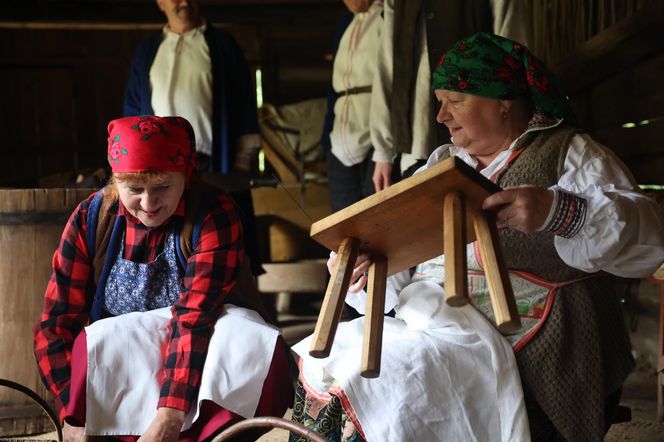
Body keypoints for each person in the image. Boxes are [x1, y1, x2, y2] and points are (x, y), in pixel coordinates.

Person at [290, 33, 664, 441]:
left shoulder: (570, 153)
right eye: (439, 102)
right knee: (331, 364)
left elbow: (647, 239)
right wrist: (365, 270)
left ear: (503, 101)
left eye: (455, 100)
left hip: (524, 339)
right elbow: (396, 273)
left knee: (394, 383)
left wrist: (558, 211)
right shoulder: (441, 164)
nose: (441, 117)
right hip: (432, 326)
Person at [33, 116, 293, 442]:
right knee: (99, 339)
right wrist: (70, 412)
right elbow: (54, 325)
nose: (148, 203)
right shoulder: (91, 218)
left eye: (162, 188)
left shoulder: (214, 213)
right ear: (115, 180)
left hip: (203, 348)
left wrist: (170, 414)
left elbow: (193, 317)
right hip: (130, 357)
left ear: (186, 176)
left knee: (245, 334)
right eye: (134, 190)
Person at [370, 0, 531, 190]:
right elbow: (388, 69)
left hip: (491, 149)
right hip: (417, 142)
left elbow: (510, 55)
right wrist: (383, 153)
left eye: (453, 101)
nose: (441, 117)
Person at [124, 0, 259, 175]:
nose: (185, 2)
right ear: (160, 3)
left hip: (212, 163)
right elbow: (133, 108)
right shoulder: (146, 50)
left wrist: (243, 164)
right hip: (159, 164)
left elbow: (244, 102)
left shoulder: (223, 44)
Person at [324, 0, 384, 212]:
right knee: (343, 218)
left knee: (375, 212)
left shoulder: (386, 17)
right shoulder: (346, 24)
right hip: (340, 135)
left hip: (376, 131)